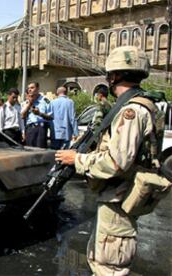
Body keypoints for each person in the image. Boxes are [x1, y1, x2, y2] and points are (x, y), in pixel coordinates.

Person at [55, 46, 171, 275]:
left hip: (120, 197)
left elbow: (116, 163)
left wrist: (77, 159)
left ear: (115, 75)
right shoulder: (133, 105)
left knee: (109, 267)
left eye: (110, 74)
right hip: (117, 196)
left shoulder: (132, 111)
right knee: (100, 258)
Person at [21, 82, 52, 148]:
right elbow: (22, 116)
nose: (29, 90)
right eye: (28, 88)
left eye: (32, 88)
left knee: (40, 152)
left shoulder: (45, 101)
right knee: (29, 151)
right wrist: (29, 104)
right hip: (29, 129)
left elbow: (51, 117)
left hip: (41, 129)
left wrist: (39, 114)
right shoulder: (26, 102)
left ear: (37, 89)